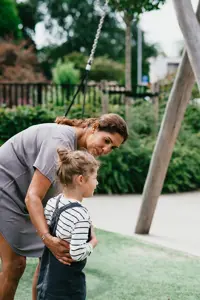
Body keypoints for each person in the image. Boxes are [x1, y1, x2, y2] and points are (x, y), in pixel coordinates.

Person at [0, 113, 128, 300]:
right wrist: (47, 237)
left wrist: (84, 225)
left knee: (46, 260)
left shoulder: (78, 151)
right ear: (94, 128)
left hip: (23, 194)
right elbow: (33, 196)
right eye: (106, 140)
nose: (107, 149)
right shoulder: (59, 142)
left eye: (113, 147)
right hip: (5, 189)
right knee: (15, 264)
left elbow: (62, 195)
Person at [37, 148, 99, 300]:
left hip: (47, 280)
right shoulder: (81, 214)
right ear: (80, 179)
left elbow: (48, 227)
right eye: (94, 178)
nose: (97, 183)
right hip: (68, 287)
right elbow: (76, 253)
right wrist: (93, 243)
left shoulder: (53, 201)